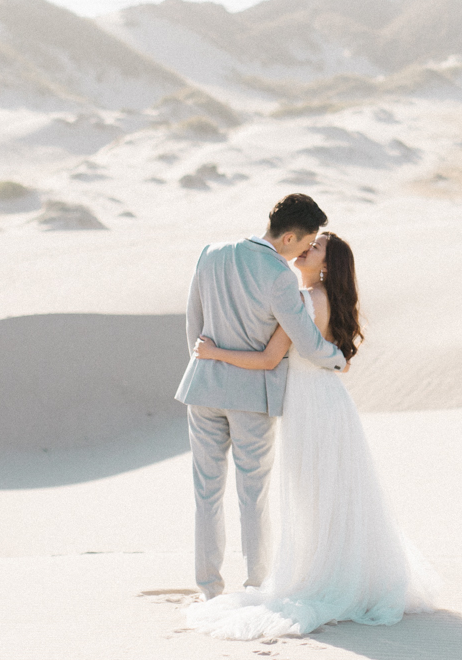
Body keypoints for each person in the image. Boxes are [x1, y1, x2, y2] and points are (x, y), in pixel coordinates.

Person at [179, 230, 439, 639]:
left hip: (310, 409)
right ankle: (342, 572)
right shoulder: (329, 300)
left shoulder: (302, 301)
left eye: (313, 248)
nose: (304, 250)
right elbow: (339, 360)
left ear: (327, 265)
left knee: (314, 493)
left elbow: (267, 358)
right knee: (333, 494)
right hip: (328, 403)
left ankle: (322, 578)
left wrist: (213, 352)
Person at [177, 193, 348, 601]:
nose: (308, 249)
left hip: (202, 387)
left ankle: (209, 589)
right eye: (307, 242)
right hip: (252, 396)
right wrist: (336, 358)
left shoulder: (211, 252)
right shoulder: (279, 276)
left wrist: (207, 367)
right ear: (289, 237)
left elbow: (193, 322)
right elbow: (306, 342)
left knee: (206, 491)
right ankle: (255, 585)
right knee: (251, 494)